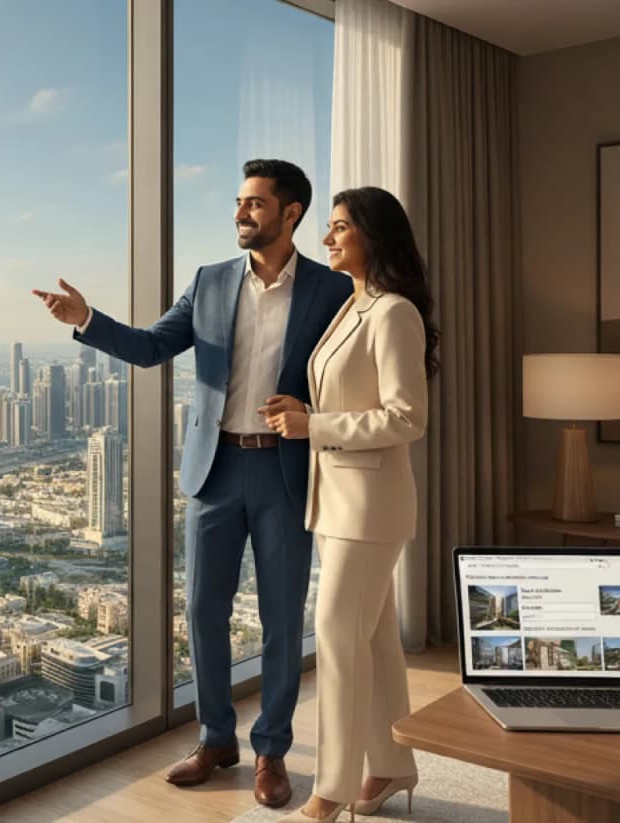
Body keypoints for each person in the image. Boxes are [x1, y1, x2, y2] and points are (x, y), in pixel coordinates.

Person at [34, 159, 352, 809]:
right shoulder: (209, 282)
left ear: (291, 213)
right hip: (215, 470)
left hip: (285, 469)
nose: (241, 213)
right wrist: (87, 317)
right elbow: (152, 347)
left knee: (282, 618)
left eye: (256, 204)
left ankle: (271, 750)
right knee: (203, 610)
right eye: (238, 202)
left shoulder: (331, 290)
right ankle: (216, 739)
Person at [259, 186, 438, 822]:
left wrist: (318, 425)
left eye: (339, 228)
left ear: (372, 236)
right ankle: (392, 768)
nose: (327, 239)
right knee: (377, 644)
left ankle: (330, 789)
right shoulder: (351, 307)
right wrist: (305, 418)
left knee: (336, 639)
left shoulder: (393, 313)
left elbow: (407, 417)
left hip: (368, 506)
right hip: (335, 504)